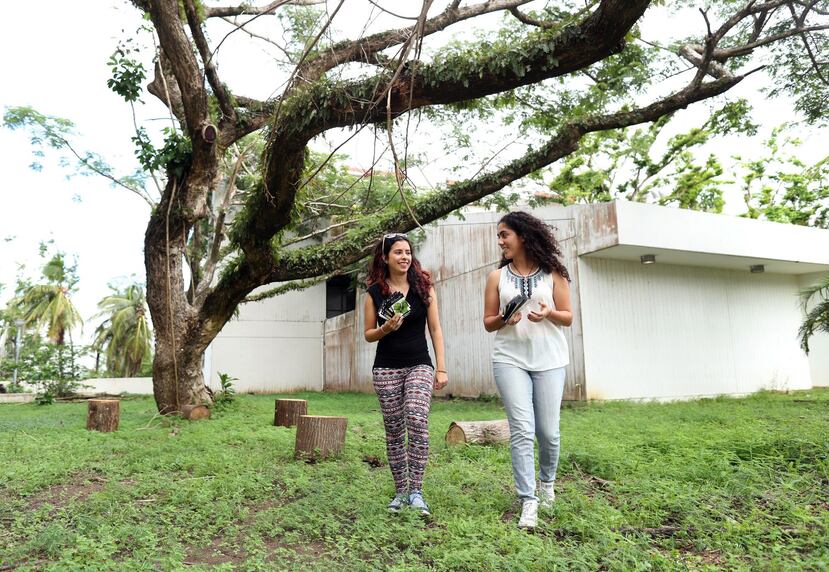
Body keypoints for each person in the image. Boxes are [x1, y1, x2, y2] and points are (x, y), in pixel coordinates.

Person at [483, 211, 573, 529]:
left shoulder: (552, 274)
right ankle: (528, 500)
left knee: (548, 432)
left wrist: (549, 312)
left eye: (505, 234)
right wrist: (504, 318)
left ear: (522, 236)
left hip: (549, 359)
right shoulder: (497, 277)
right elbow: (488, 322)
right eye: (499, 235)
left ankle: (547, 484)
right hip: (509, 359)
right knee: (522, 430)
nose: (501, 241)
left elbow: (568, 316)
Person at [364, 232, 449, 516]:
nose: (404, 257)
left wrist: (442, 367)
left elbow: (435, 329)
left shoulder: (424, 287)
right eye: (398, 252)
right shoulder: (375, 292)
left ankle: (417, 491)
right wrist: (385, 329)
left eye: (407, 252)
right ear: (385, 257)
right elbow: (368, 334)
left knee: (416, 416)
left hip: (419, 364)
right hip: (386, 367)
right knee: (394, 430)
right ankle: (400, 491)